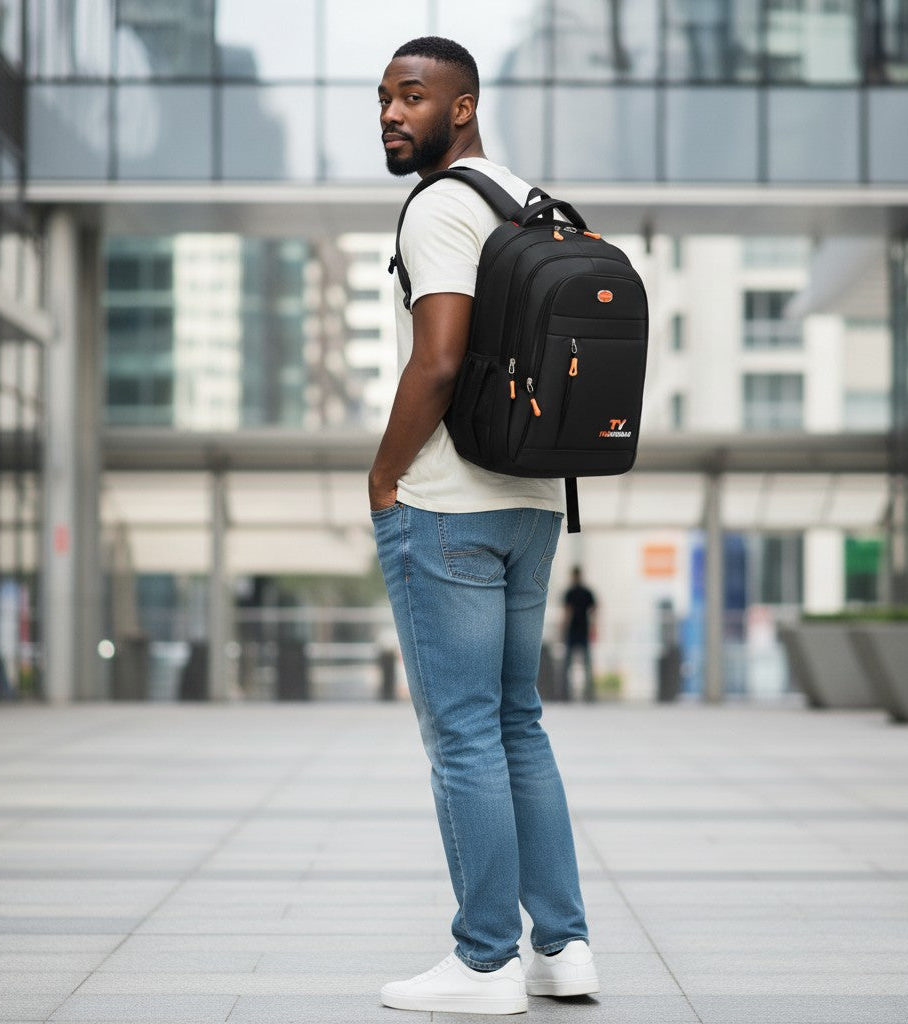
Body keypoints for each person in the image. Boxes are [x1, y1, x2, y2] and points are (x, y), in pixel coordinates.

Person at [369, 36, 599, 1016]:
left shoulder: (439, 208)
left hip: (450, 506)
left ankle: (482, 961)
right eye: (382, 98)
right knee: (517, 722)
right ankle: (562, 948)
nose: (390, 114)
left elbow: (439, 358)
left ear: (459, 108)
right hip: (535, 496)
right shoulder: (526, 199)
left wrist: (383, 479)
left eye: (411, 97)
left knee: (462, 730)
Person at [562, 567, 597, 701]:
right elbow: (593, 610)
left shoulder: (573, 592)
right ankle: (584, 694)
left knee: (576, 664)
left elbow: (567, 613)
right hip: (578, 630)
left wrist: (593, 627)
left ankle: (571, 693)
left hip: (578, 631)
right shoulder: (581, 592)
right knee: (578, 664)